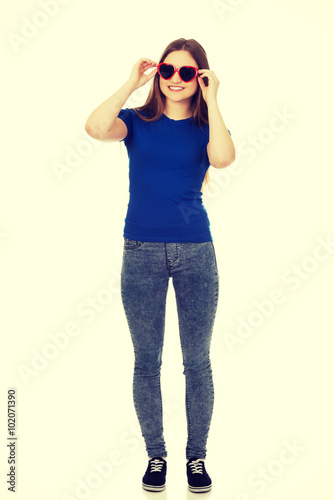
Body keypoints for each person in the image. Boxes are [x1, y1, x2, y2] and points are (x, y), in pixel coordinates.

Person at [85, 38, 235, 494]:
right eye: (168, 70)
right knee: (146, 362)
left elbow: (224, 159)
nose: (175, 78)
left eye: (187, 73)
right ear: (159, 74)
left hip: (195, 253)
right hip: (141, 252)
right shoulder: (136, 122)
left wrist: (213, 100)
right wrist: (133, 81)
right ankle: (156, 456)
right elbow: (94, 127)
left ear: (200, 78)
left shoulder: (205, 127)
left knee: (197, 363)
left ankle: (197, 457)